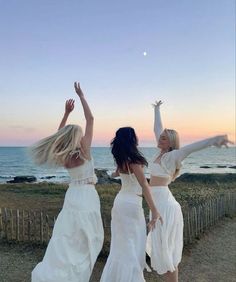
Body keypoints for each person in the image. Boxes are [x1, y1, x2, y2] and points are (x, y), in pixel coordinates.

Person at [146, 100, 232, 282]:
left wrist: (216, 139)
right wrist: (157, 109)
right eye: (160, 137)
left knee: (168, 252)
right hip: (157, 202)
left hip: (164, 205)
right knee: (163, 250)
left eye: (163, 138)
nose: (159, 138)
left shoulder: (172, 156)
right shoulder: (160, 153)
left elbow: (193, 147)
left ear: (170, 143)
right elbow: (157, 128)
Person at [31, 82, 104, 282]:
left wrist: (66, 114)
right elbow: (91, 118)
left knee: (67, 237)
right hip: (87, 196)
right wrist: (81, 96)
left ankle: (59, 271)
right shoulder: (84, 151)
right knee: (88, 238)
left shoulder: (65, 155)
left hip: (72, 195)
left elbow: (58, 136)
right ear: (77, 137)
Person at [100, 127, 163, 282]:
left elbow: (116, 174)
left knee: (120, 245)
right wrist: (154, 210)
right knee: (133, 245)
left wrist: (113, 174)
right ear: (132, 139)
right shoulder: (134, 160)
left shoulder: (121, 158)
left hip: (121, 202)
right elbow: (144, 185)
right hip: (131, 205)